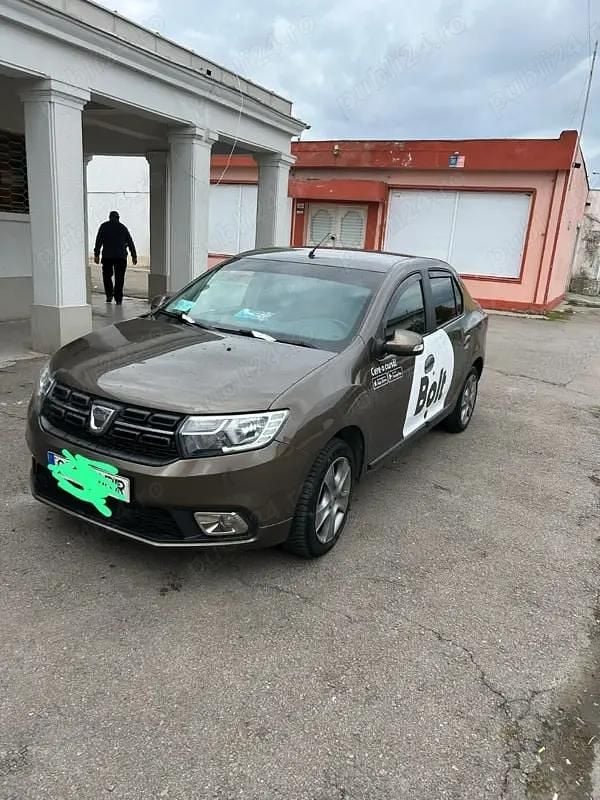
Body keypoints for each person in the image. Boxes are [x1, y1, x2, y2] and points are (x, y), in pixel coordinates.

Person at [93, 211, 137, 305]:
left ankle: (109, 295)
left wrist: (96, 254)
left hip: (107, 256)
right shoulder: (122, 227)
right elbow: (130, 242)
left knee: (107, 276)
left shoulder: (104, 226)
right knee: (119, 278)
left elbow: (98, 241)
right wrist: (134, 256)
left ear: (109, 217)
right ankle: (118, 298)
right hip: (120, 257)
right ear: (118, 218)